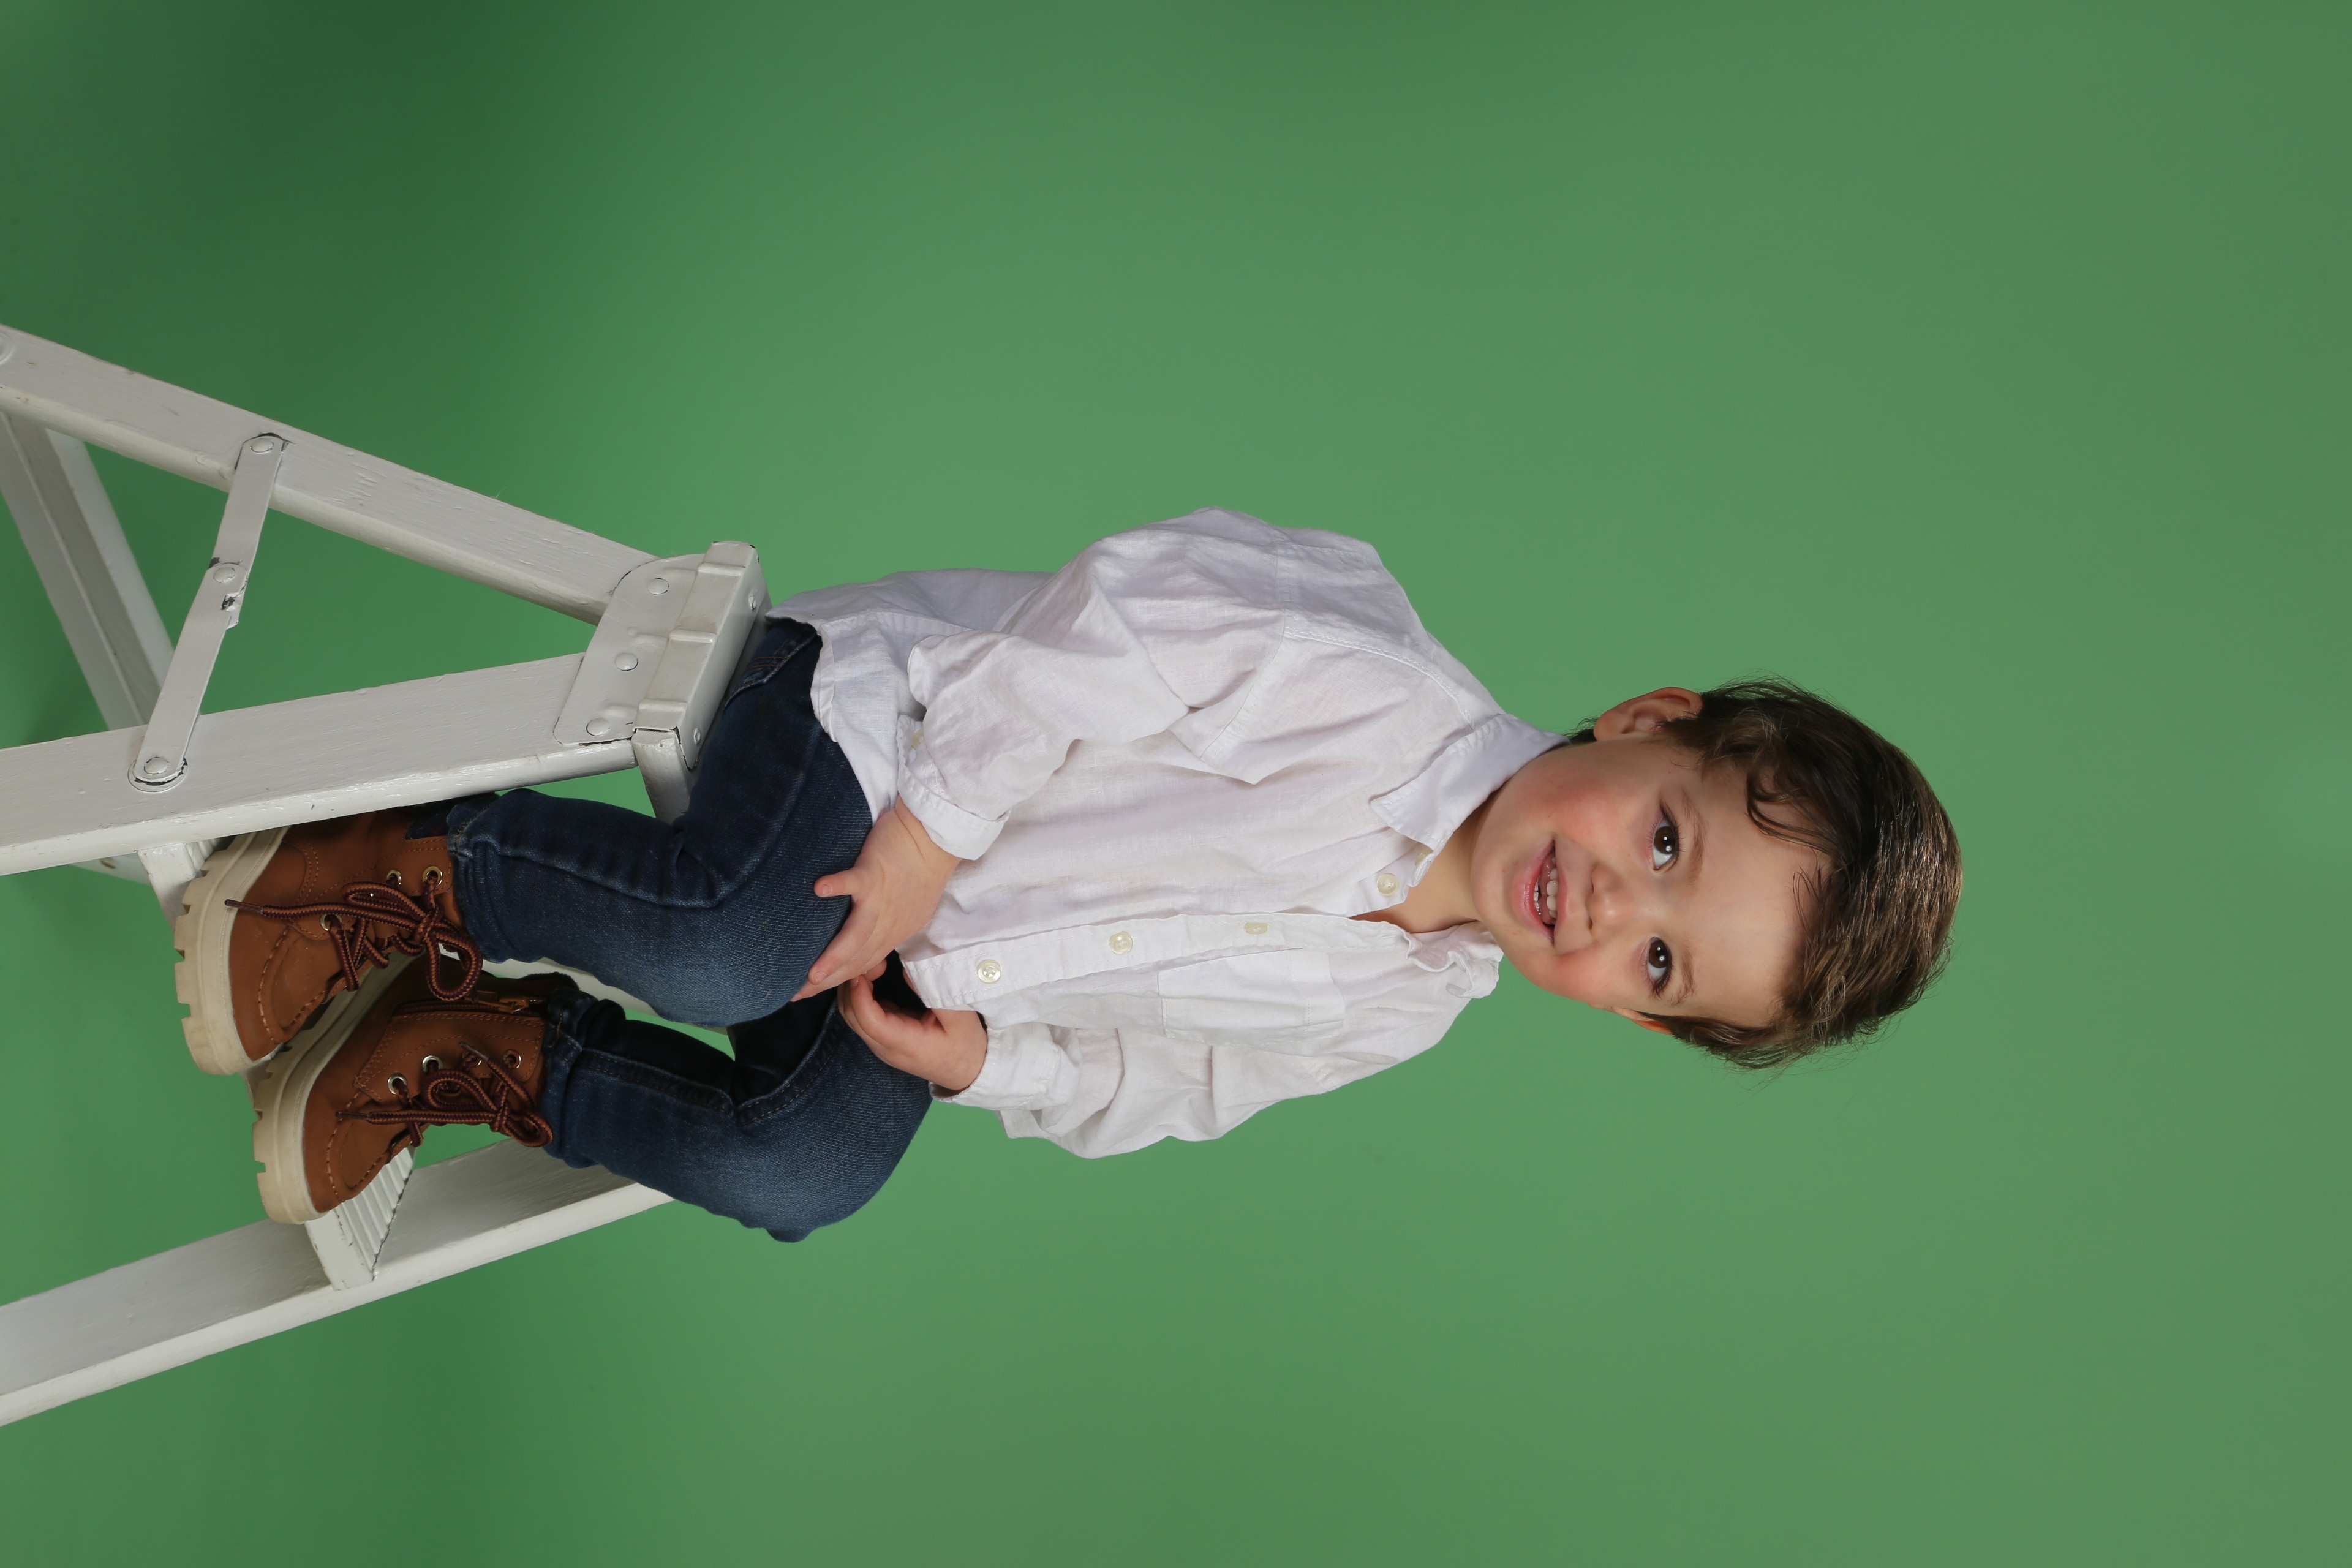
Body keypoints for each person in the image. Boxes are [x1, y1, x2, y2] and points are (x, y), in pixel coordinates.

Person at [172, 510, 1961, 1242]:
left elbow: (1178, 1085)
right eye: (1666, 842)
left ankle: (476, 1040)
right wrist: (928, 839)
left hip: (918, 955)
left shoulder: (1400, 1010)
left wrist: (993, 1063)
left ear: (1639, 1019)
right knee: (728, 945)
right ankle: (411, 868)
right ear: (1647, 724)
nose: (1616, 906)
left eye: (1662, 963)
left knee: (806, 1168)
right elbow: (1119, 615)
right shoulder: (1377, 691)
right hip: (877, 737)